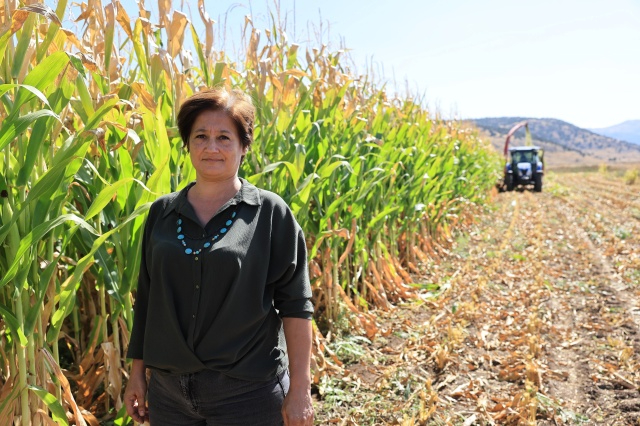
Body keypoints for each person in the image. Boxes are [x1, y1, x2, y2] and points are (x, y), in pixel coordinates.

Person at [123, 87, 314, 425]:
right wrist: (137, 373)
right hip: (168, 394)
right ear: (187, 144)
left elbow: (296, 306)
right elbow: (149, 299)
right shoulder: (161, 213)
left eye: (224, 137)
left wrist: (300, 388)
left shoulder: (270, 213)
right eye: (201, 136)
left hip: (247, 394)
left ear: (244, 146)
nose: (211, 147)